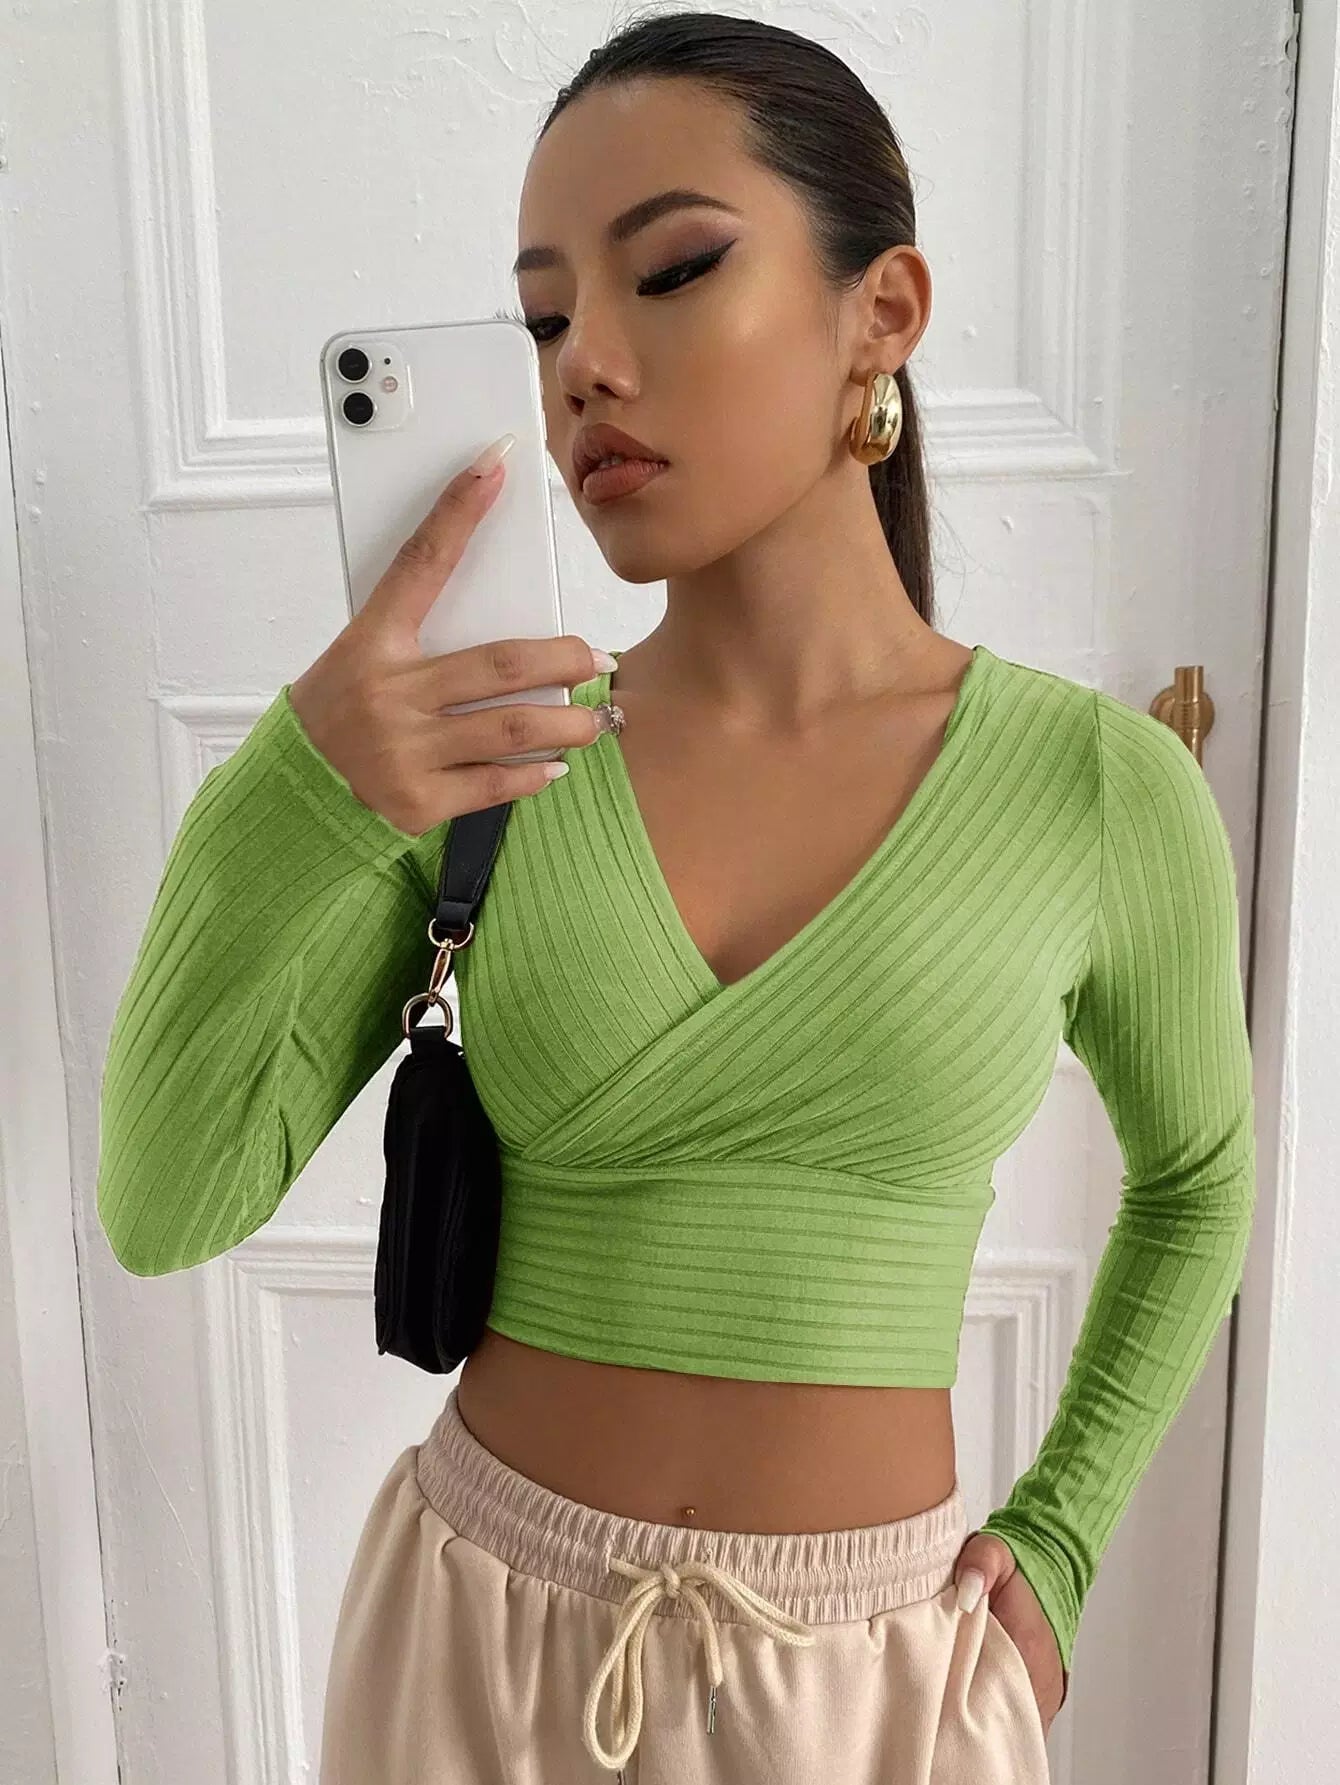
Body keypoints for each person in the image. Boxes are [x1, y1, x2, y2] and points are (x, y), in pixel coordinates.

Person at [95, 10, 1257, 1782]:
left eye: (675, 270)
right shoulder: (487, 759)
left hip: (873, 1693)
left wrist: (1068, 1530)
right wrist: (298, 784)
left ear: (883, 310)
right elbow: (165, 1204)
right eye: (545, 317)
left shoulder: (1096, 788)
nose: (584, 365)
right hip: (474, 1650)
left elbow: (1198, 1178)